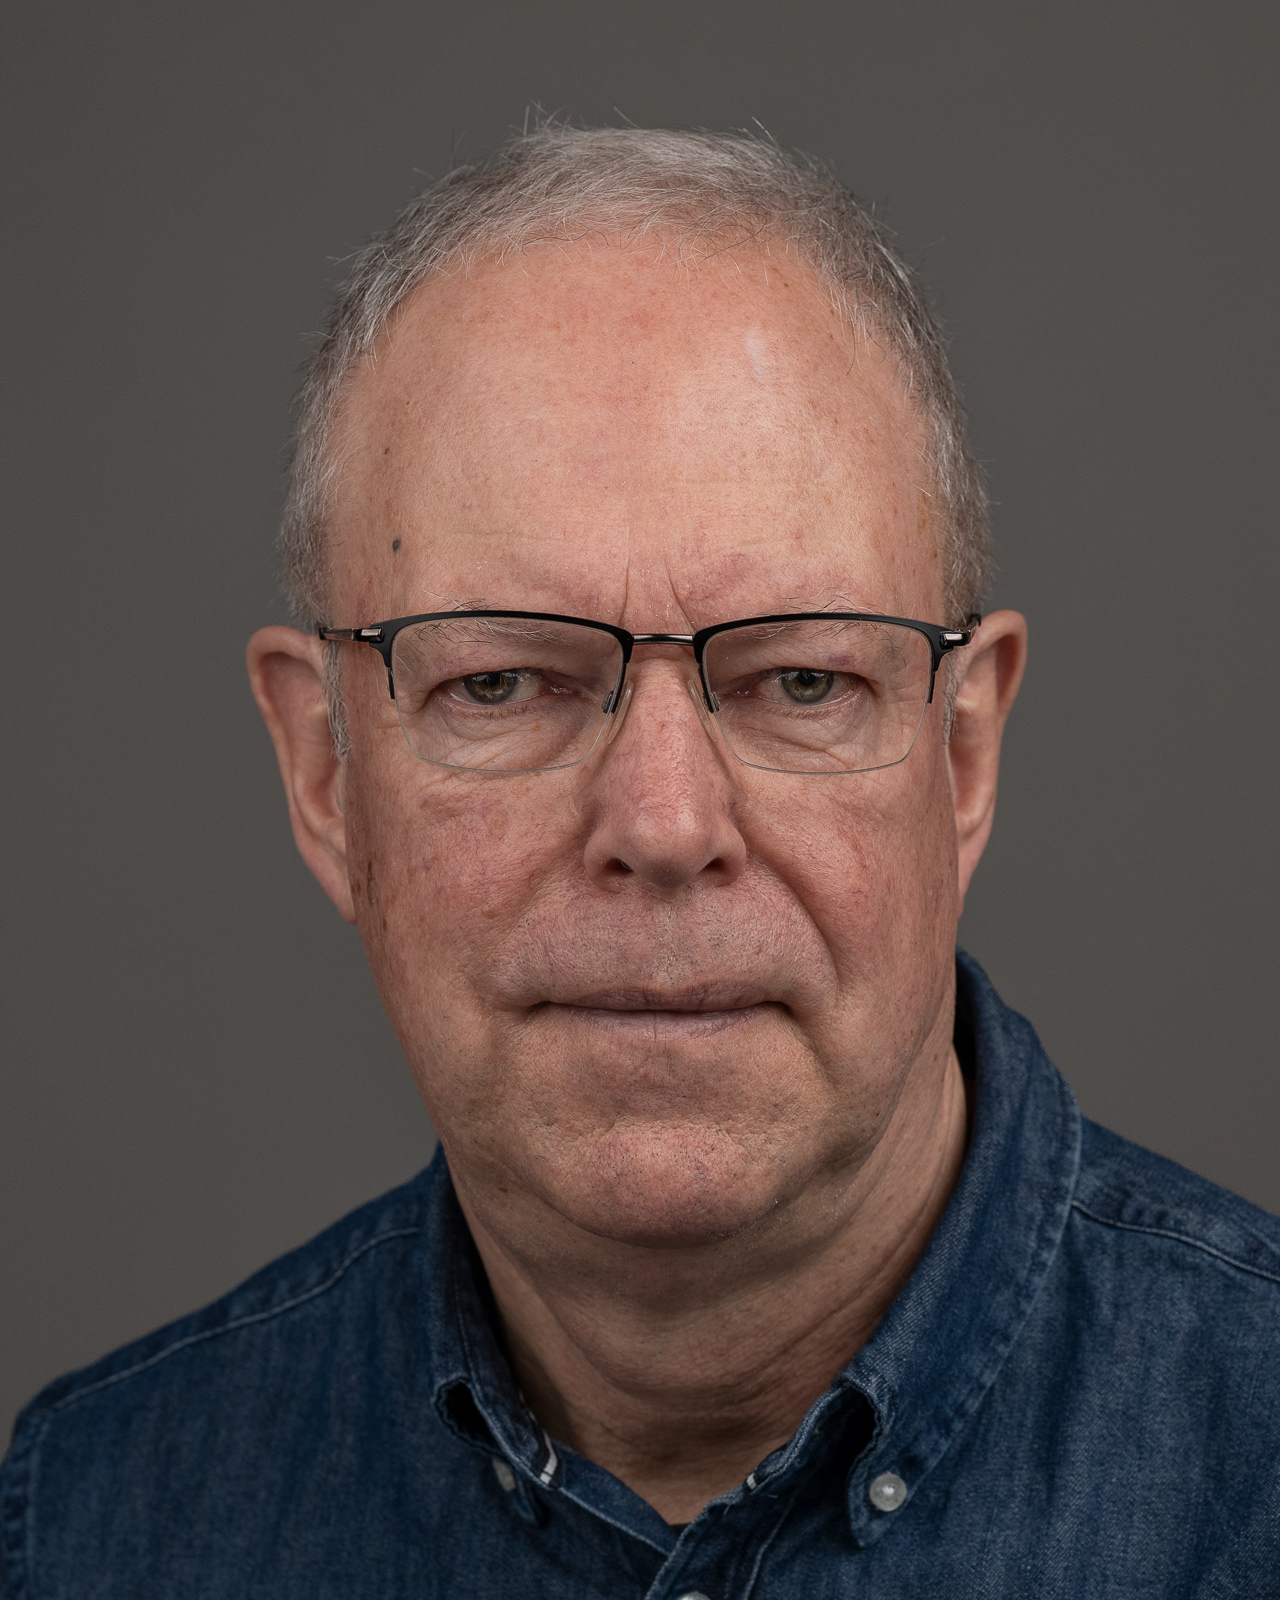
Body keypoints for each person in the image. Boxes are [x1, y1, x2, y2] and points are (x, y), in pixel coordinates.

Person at [3, 126, 1277, 1599]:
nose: (665, 825)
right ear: (324, 772)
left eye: (802, 681)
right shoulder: (98, 1526)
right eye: (499, 683)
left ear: (965, 754)